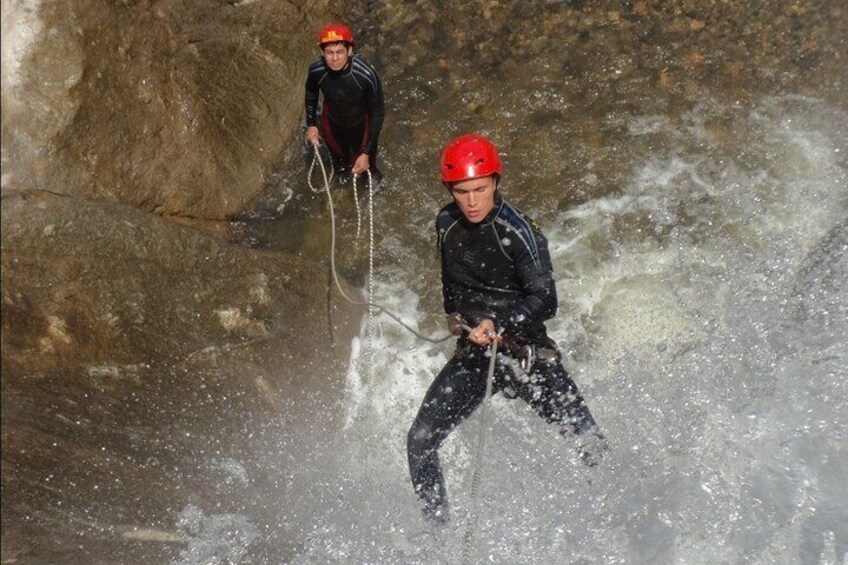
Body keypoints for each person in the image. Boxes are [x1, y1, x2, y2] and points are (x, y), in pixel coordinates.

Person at [406, 133, 608, 524]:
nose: (472, 201)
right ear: (450, 189)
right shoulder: (446, 223)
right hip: (477, 355)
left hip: (525, 353)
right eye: (461, 191)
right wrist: (458, 320)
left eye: (480, 189)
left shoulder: (519, 232)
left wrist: (498, 322)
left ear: (495, 182)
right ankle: (438, 534)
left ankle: (620, 531)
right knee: (419, 442)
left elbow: (545, 300)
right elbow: (453, 283)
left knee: (590, 443)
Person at [304, 24, 385, 186]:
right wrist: (311, 125)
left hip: (361, 125)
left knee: (369, 172)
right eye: (329, 53)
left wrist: (367, 152)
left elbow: (377, 112)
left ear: (349, 51)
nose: (334, 59)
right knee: (340, 167)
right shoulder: (316, 71)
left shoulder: (366, 75)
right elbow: (311, 93)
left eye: (339, 52)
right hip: (333, 124)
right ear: (323, 53)